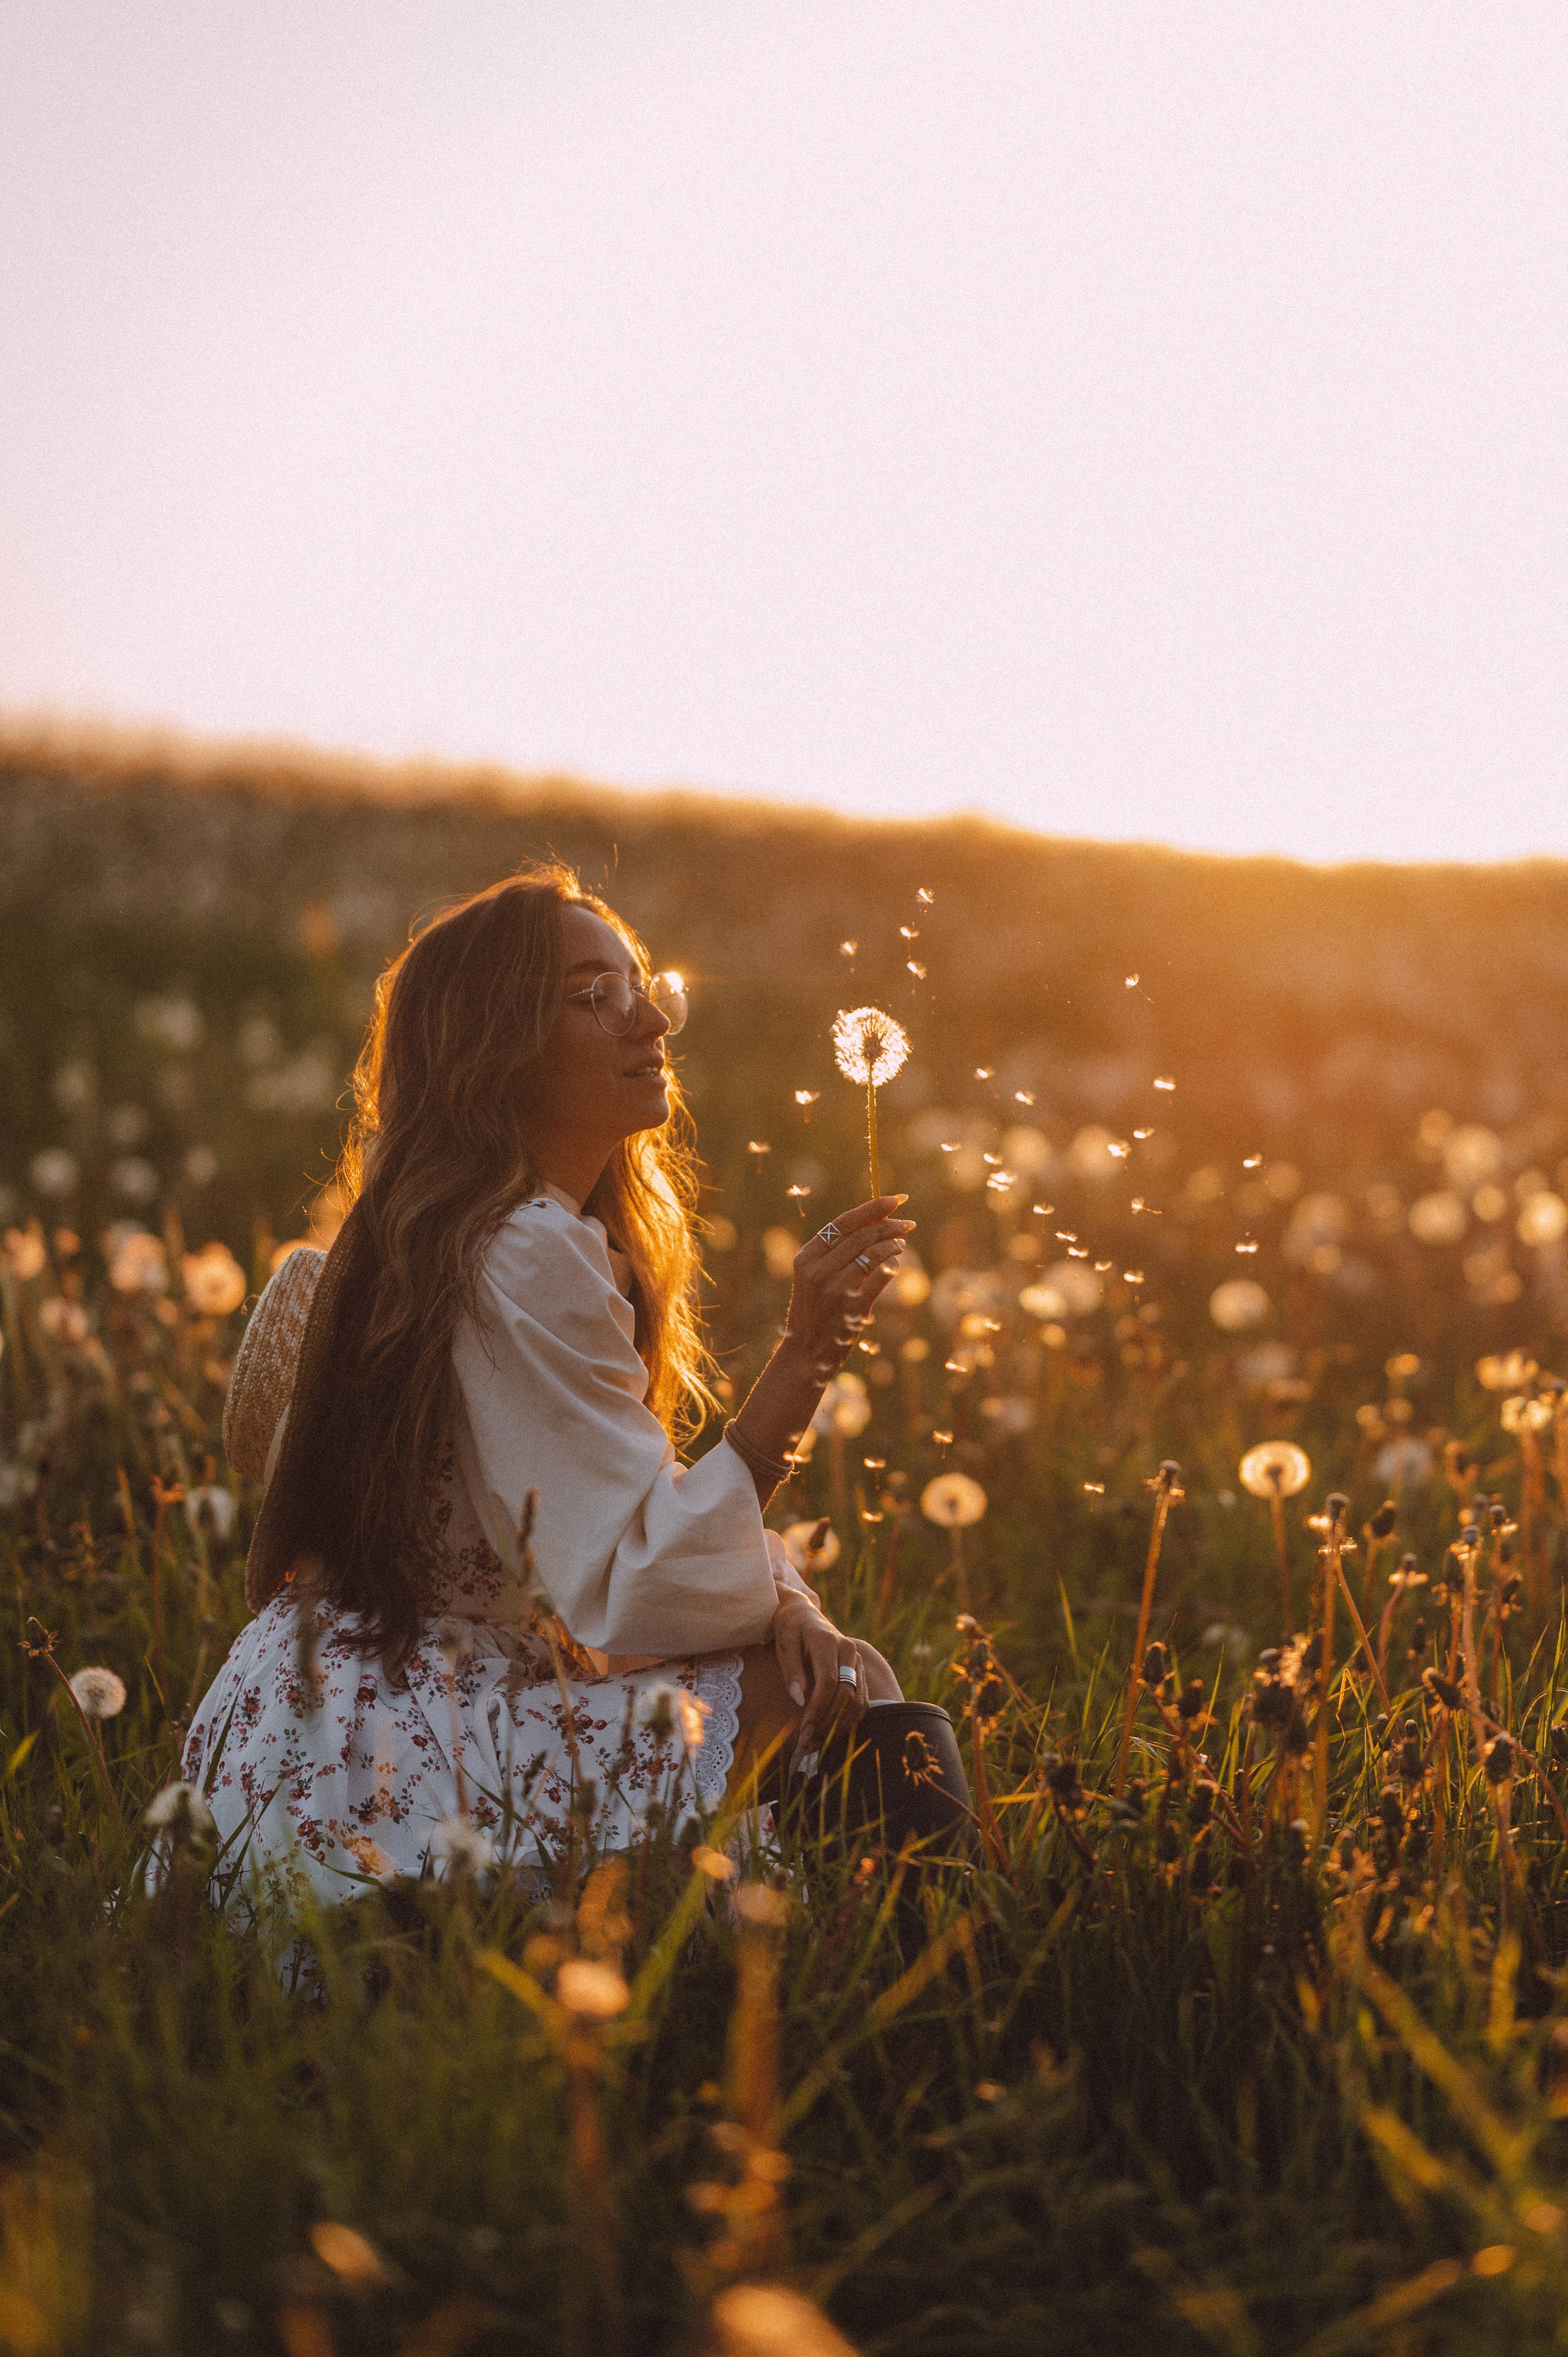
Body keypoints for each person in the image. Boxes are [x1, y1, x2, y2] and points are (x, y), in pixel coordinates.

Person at [181, 863, 920, 1902]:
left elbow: (619, 1500)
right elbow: (628, 1582)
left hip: (316, 1716)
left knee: (812, 1674)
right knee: (844, 1687)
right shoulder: (523, 1247)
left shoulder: (497, 1234)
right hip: (408, 1731)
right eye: (593, 997)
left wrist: (785, 1597)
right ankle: (948, 1994)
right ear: (496, 1054)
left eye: (643, 984)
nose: (652, 1018)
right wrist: (803, 1359)